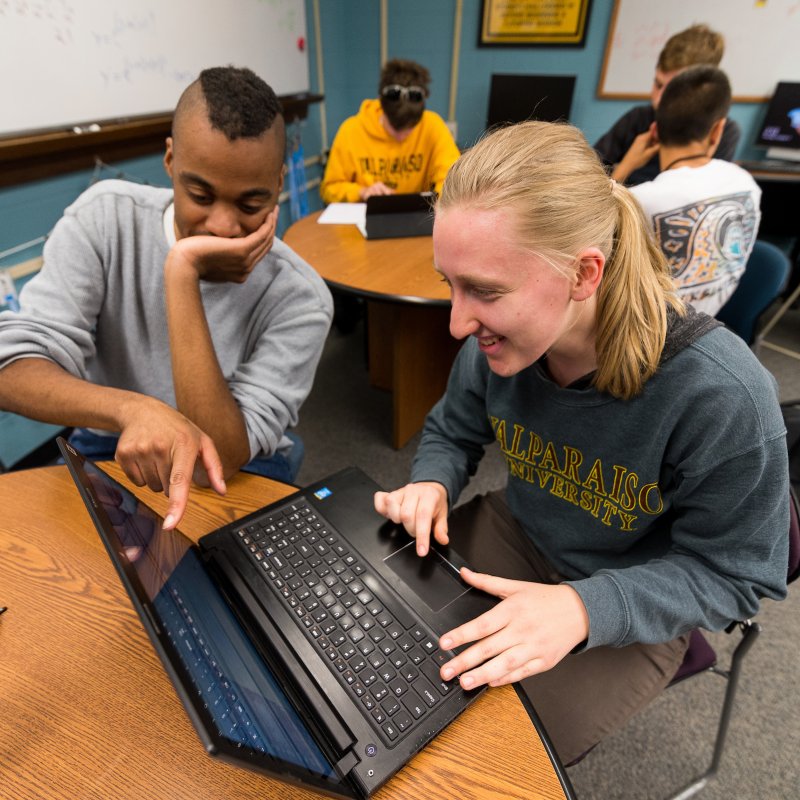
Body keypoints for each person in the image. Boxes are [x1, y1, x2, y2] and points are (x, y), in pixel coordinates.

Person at [373, 121, 789, 765]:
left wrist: (585, 607)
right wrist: (432, 479)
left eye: (484, 290)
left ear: (583, 273)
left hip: (635, 593)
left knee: (481, 762)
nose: (458, 322)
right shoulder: (496, 345)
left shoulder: (722, 394)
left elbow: (736, 573)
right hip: (521, 536)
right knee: (378, 655)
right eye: (448, 284)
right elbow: (454, 431)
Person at [0, 67, 333, 529]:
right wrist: (132, 408)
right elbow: (9, 369)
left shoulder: (302, 297)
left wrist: (182, 271)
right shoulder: (104, 218)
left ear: (279, 183)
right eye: (200, 194)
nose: (222, 226)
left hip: (235, 462)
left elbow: (219, 453)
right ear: (170, 161)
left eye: (251, 204)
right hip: (111, 439)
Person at [616, 66, 761, 316]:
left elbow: (581, 228)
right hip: (705, 330)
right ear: (718, 130)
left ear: (655, 131)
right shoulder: (747, 184)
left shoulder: (638, 201)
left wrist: (625, 167)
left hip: (641, 340)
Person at [595, 23, 741, 186]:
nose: (658, 100)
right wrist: (626, 165)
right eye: (657, 85)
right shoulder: (638, 118)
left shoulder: (724, 132)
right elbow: (588, 175)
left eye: (671, 91)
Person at [319, 58, 460, 204]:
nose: (401, 137)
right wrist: (362, 192)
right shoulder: (351, 130)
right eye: (394, 128)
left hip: (416, 218)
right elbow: (329, 189)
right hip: (364, 214)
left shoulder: (433, 125)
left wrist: (441, 203)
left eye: (410, 128)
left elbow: (453, 181)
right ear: (381, 106)